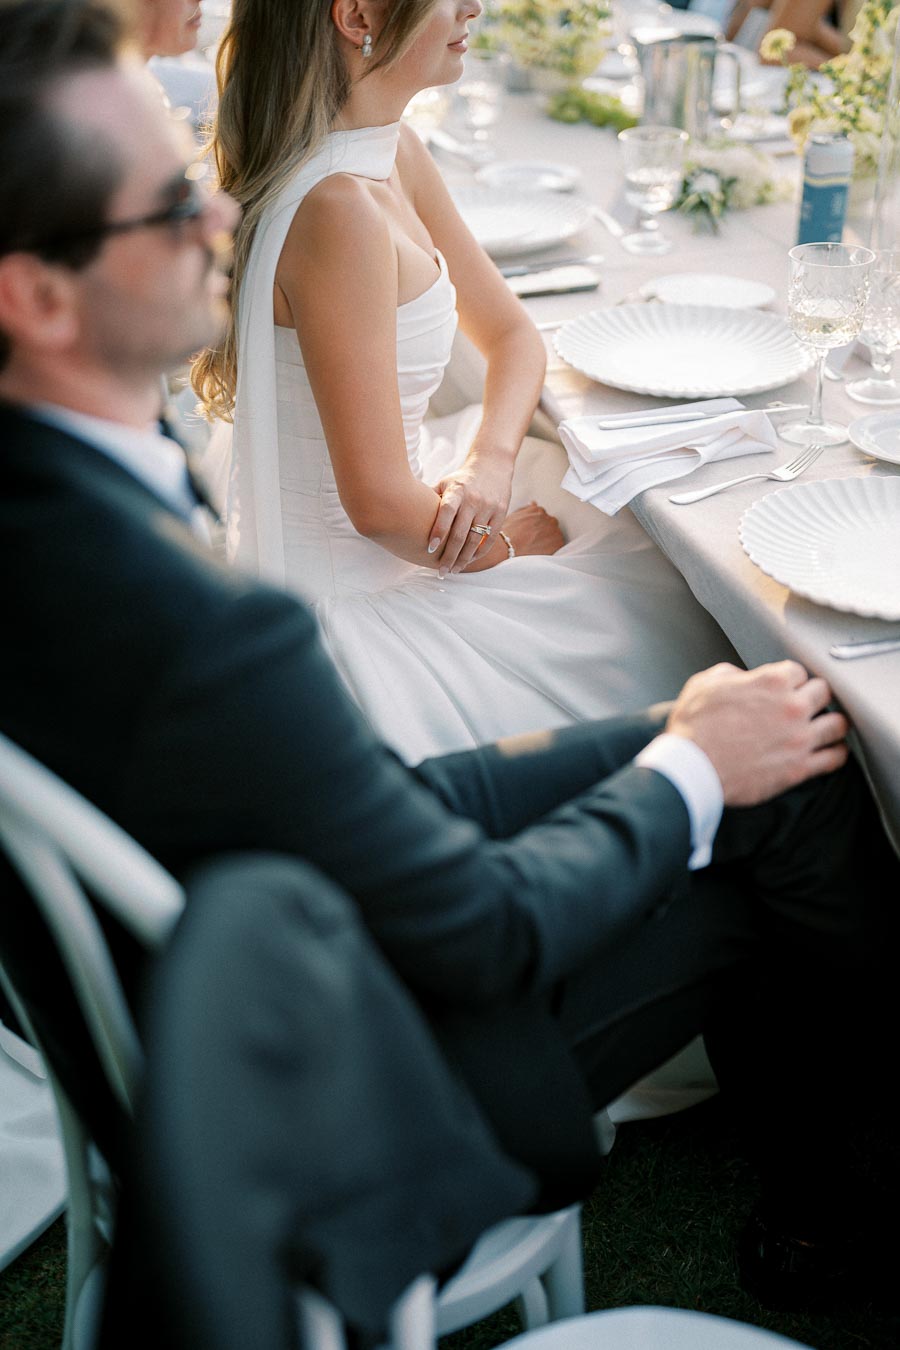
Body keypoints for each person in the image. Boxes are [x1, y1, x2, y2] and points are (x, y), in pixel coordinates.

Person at [0, 0, 894, 1326]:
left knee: (771, 723)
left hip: (291, 944)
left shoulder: (69, 514)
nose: (219, 218)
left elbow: (373, 815)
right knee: (786, 781)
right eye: (171, 201)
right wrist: (686, 775)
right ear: (38, 296)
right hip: (359, 1088)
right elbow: (479, 925)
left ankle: (826, 1192)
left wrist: (679, 741)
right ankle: (847, 1209)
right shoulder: (203, 629)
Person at [192, 0, 739, 765]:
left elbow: (514, 336)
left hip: (415, 516)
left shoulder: (391, 152)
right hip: (360, 604)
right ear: (357, 18)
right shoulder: (337, 210)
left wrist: (489, 459)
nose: (472, 7)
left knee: (604, 499)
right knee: (665, 597)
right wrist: (501, 549)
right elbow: (381, 507)